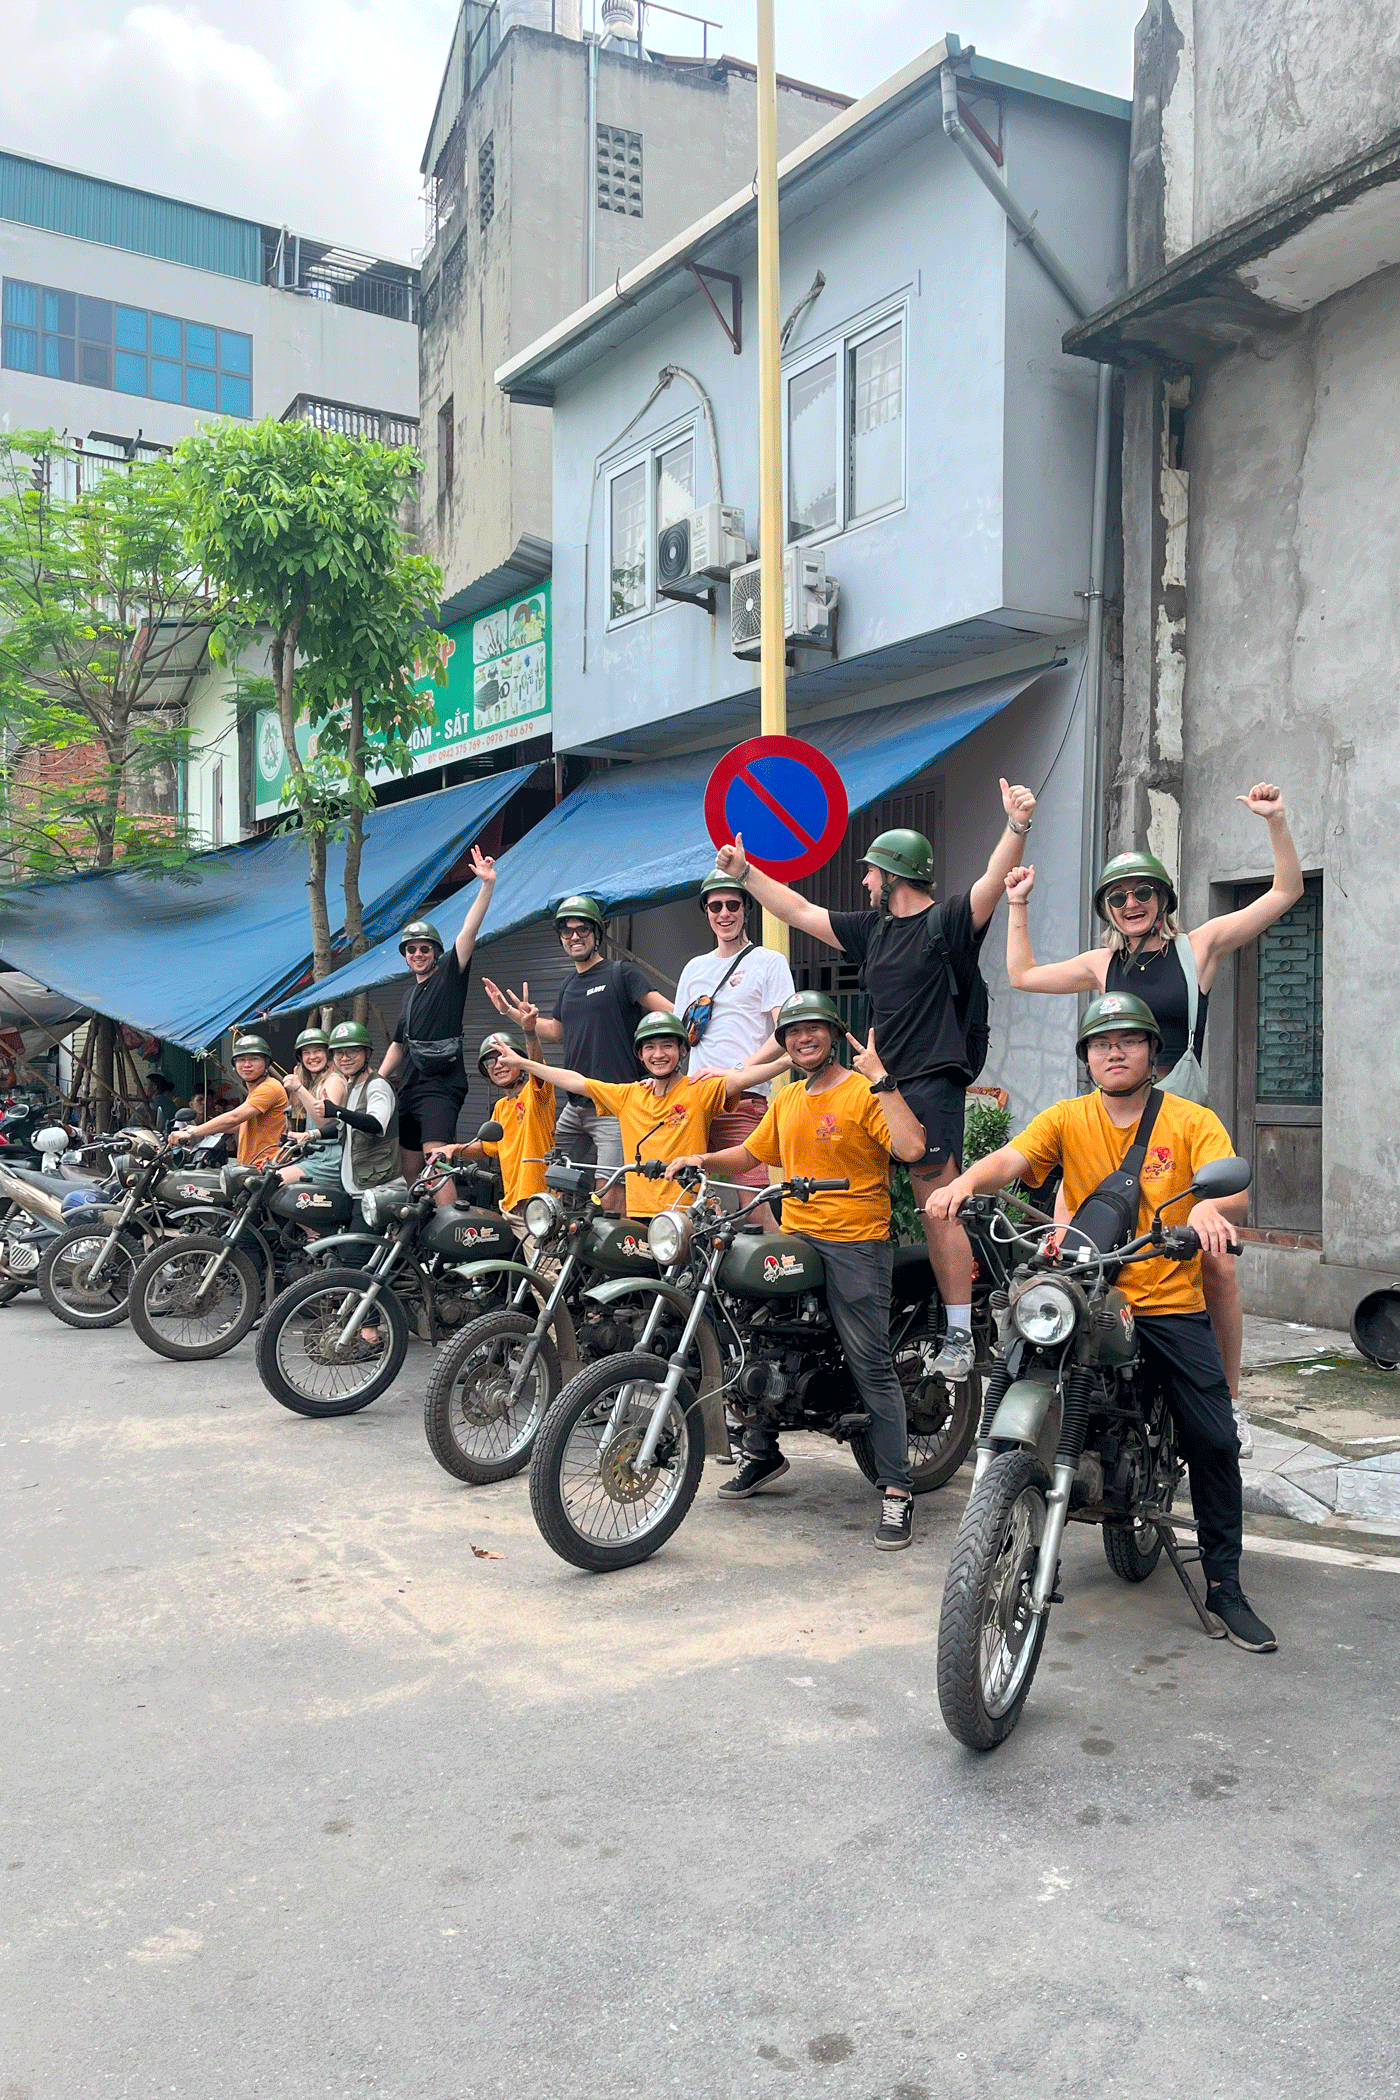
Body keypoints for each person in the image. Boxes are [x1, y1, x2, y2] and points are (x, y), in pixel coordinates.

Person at [926, 990, 1276, 1652]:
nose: (1114, 1052)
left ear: (1151, 1052)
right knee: (1020, 1346)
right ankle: (995, 1533)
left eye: (1128, 1041)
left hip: (1167, 1299)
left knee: (1215, 1441)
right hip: (1091, 1288)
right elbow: (1014, 1162)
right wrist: (964, 1184)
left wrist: (1208, 1209)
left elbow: (1232, 1188)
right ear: (1086, 1056)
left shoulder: (1190, 1119)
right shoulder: (1068, 1117)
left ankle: (1226, 1585)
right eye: (1100, 1043)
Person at [1003, 781, 1304, 1455]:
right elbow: (1021, 974)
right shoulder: (1100, 963)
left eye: (1143, 893)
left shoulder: (1200, 948)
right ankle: (1076, 1393)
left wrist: (1275, 821)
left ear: (1162, 901)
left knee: (1216, 1267)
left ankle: (1227, 1401)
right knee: (1070, 1257)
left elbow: (1284, 893)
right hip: (1106, 1136)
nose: (1132, 904)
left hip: (1182, 1134)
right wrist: (1016, 903)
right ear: (1109, 908)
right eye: (1119, 896)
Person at [713, 777, 1038, 1385]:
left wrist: (1016, 824)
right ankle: (863, 1310)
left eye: (870, 872)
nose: (863, 882)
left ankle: (963, 1335)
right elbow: (800, 911)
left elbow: (994, 881)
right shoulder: (874, 931)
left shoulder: (947, 923)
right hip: (876, 1080)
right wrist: (745, 873)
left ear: (894, 874)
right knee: (849, 1185)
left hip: (932, 1082)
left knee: (937, 1205)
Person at [666, 990, 928, 1551]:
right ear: (784, 1043)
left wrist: (883, 1081)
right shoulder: (786, 1100)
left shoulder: (862, 1091)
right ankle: (762, 1453)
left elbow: (911, 1147)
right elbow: (750, 1156)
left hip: (856, 1242)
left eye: (814, 1029)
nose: (804, 1038)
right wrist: (701, 1161)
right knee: (752, 1332)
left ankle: (897, 1491)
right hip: (799, 1237)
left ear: (832, 1034)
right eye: (793, 1032)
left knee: (871, 1364)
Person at [495, 1010, 787, 1220]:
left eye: (667, 1046)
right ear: (640, 1054)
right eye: (650, 1047)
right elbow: (574, 1080)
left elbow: (744, 1080)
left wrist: (789, 1059)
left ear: (682, 1050)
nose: (658, 1054)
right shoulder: (629, 1095)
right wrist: (525, 1063)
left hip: (685, 1215)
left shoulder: (699, 1090)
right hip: (637, 1216)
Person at [483, 894, 671, 1213]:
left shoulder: (621, 974)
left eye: (582, 929)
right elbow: (557, 1032)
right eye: (566, 931)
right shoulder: (568, 985)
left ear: (596, 933)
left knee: (610, 1191)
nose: (574, 937)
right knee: (547, 1178)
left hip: (613, 1104)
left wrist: (662, 1072)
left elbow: (668, 1016)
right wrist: (513, 1015)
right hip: (575, 1106)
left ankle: (614, 1260)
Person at [674, 869, 794, 1229]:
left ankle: (782, 1275)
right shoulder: (694, 967)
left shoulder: (768, 962)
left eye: (732, 905)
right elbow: (681, 1038)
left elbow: (785, 1030)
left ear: (745, 909)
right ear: (706, 911)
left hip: (743, 1099)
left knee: (753, 1204)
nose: (724, 913)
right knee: (694, 1202)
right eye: (715, 906)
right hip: (694, 1101)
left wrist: (738, 1071)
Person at [378, 845, 497, 1207]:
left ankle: (451, 1233)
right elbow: (399, 1044)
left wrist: (486, 886)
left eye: (424, 948)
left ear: (436, 952)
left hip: (440, 1087)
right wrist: (375, 1082)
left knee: (435, 1162)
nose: (418, 954)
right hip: (410, 1088)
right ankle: (419, 1236)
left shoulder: (448, 977)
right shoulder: (409, 997)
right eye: (411, 949)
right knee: (410, 1169)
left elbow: (467, 933)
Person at [440, 1026, 556, 1216]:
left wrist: (530, 1034)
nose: (498, 1065)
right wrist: (454, 1149)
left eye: (503, 1057)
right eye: (490, 1062)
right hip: (510, 1205)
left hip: (539, 1205)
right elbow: (487, 1148)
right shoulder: (501, 1107)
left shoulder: (535, 1095)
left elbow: (540, 1070)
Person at [280, 1021, 397, 1203]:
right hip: (353, 1178)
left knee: (277, 1184)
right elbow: (340, 1125)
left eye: (352, 1052)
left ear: (367, 1053)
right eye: (339, 1053)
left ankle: (312, 1233)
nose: (345, 1058)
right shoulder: (352, 1085)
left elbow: (373, 1124)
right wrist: (310, 1135)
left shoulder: (374, 1085)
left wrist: (301, 1089)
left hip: (371, 1182)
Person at [178, 1035, 287, 1165]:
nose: (247, 1064)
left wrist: (192, 1132)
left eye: (254, 1059)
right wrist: (207, 1127)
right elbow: (240, 1124)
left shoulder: (269, 1088)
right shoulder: (256, 1090)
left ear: (266, 1062)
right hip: (253, 1165)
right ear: (235, 1065)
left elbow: (234, 1117)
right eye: (241, 1059)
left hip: (266, 1166)